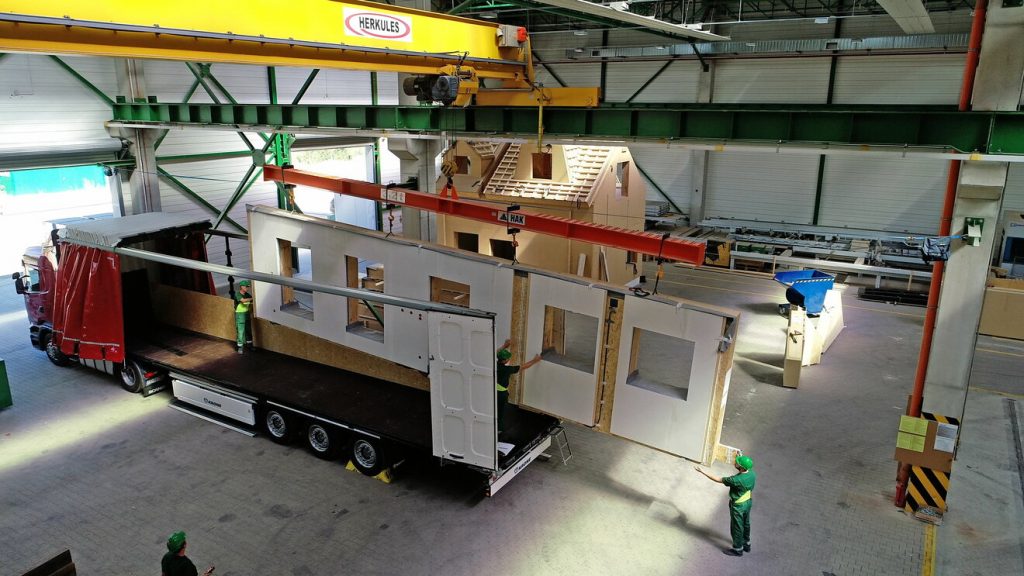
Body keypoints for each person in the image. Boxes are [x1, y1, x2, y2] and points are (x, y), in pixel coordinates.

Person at [695, 454, 756, 557]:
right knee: (746, 523)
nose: (735, 462)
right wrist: (740, 456)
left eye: (737, 462)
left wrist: (702, 471)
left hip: (738, 506)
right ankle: (746, 544)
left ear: (741, 468)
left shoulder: (735, 480)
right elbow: (744, 469)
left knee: (737, 527)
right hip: (747, 501)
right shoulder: (752, 474)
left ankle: (737, 549)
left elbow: (718, 479)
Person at [496, 338, 541, 435]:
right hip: (501, 394)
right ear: (505, 360)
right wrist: (534, 360)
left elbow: (495, 353)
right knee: (500, 411)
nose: (509, 359)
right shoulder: (507, 370)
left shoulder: (494, 364)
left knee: (495, 409)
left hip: (494, 391)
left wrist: (504, 346)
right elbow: (523, 367)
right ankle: (499, 429)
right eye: (508, 358)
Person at [233, 280, 253, 354]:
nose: (247, 288)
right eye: (246, 286)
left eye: (248, 287)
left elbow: (251, 302)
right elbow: (243, 301)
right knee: (240, 331)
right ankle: (240, 347)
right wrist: (251, 299)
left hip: (246, 314)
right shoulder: (238, 294)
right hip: (240, 314)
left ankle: (250, 344)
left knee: (248, 330)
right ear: (241, 287)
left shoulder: (248, 295)